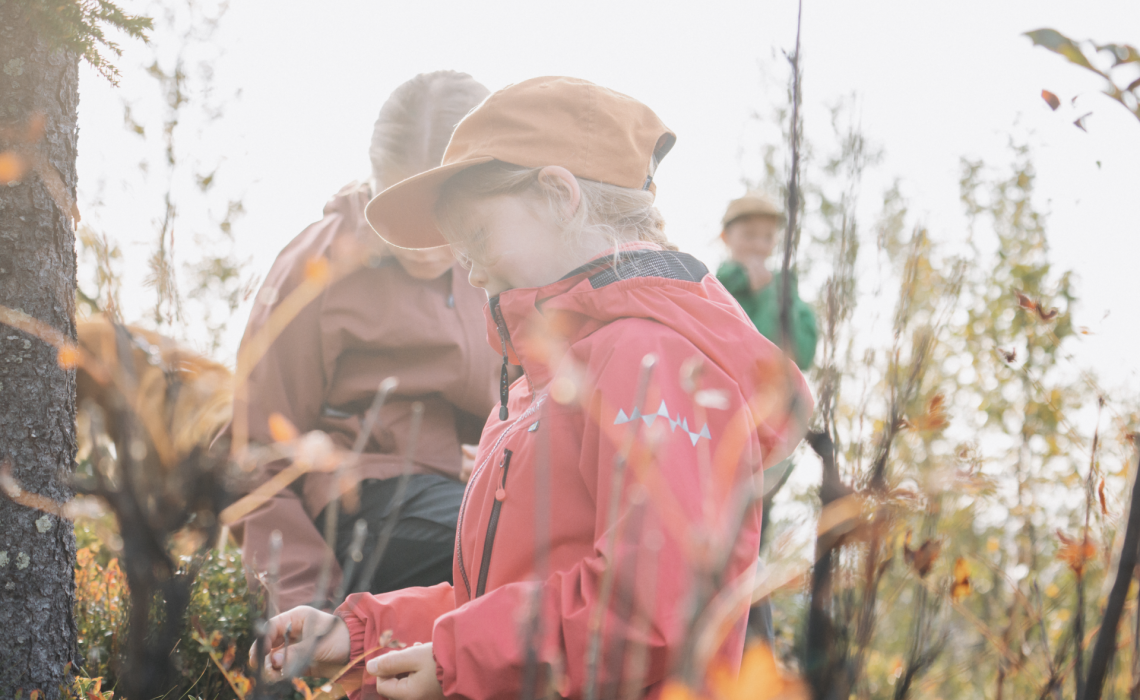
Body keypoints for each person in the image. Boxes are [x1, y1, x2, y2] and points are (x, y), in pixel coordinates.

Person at [251, 77, 813, 700]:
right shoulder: (530, 394)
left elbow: (653, 609)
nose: (468, 268)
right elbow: (492, 596)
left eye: (478, 238)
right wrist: (360, 633)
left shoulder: (650, 362)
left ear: (557, 195)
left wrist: (457, 655)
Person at [231, 71, 501, 613]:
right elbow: (252, 452)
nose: (422, 243)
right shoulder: (318, 269)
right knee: (497, 556)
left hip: (488, 487)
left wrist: (506, 453)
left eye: (441, 217)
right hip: (368, 502)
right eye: (398, 212)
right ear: (375, 182)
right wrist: (307, 600)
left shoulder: (509, 264)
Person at [716, 191, 818, 371]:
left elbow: (802, 356)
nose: (759, 245)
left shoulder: (788, 292)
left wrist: (768, 295)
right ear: (725, 237)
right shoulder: (712, 289)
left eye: (768, 237)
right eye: (749, 235)